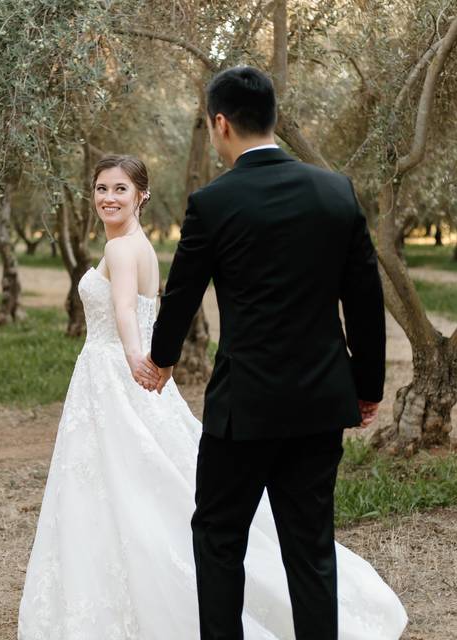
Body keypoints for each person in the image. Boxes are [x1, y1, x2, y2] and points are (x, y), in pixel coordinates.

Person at [18, 147, 406, 638]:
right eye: (101, 188)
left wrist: (145, 358)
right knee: (153, 486)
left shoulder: (126, 245)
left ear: (142, 195)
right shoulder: (139, 243)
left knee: (141, 495)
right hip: (162, 380)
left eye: (119, 188)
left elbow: (129, 312)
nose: (108, 197)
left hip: (118, 374)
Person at [148, 65, 389, 640]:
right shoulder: (336, 192)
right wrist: (368, 388)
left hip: (244, 409)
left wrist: (160, 359)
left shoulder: (213, 203)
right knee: (310, 548)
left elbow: (181, 296)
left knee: (218, 539)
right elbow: (365, 300)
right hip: (318, 404)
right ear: (274, 119)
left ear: (222, 124)